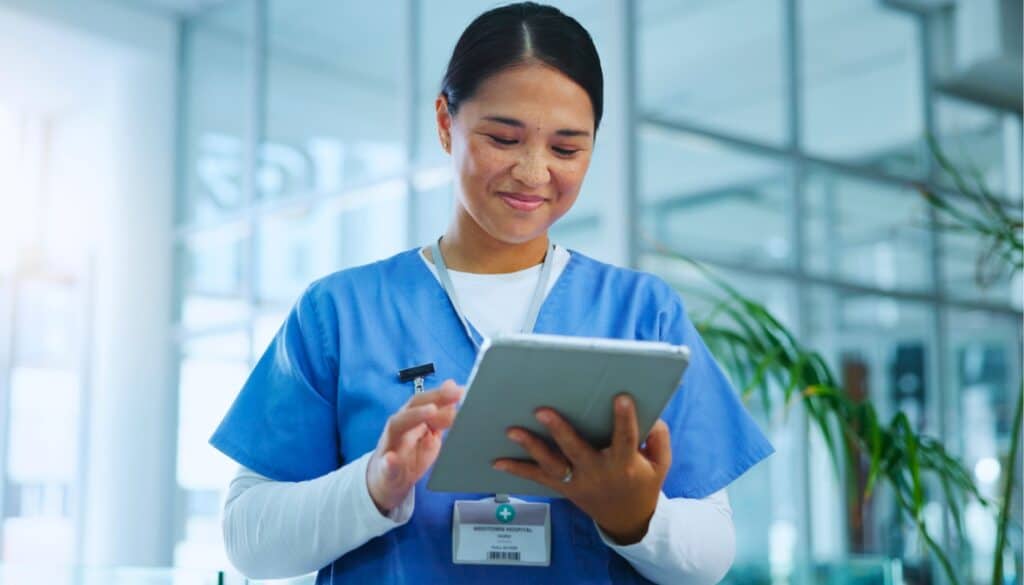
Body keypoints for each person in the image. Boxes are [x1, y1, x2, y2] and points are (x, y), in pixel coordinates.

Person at [210, 3, 773, 584]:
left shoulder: (641, 312)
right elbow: (249, 542)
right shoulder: (339, 313)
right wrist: (373, 485)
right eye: (504, 137)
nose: (533, 172)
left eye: (566, 149)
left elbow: (711, 554)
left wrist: (635, 516)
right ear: (444, 122)